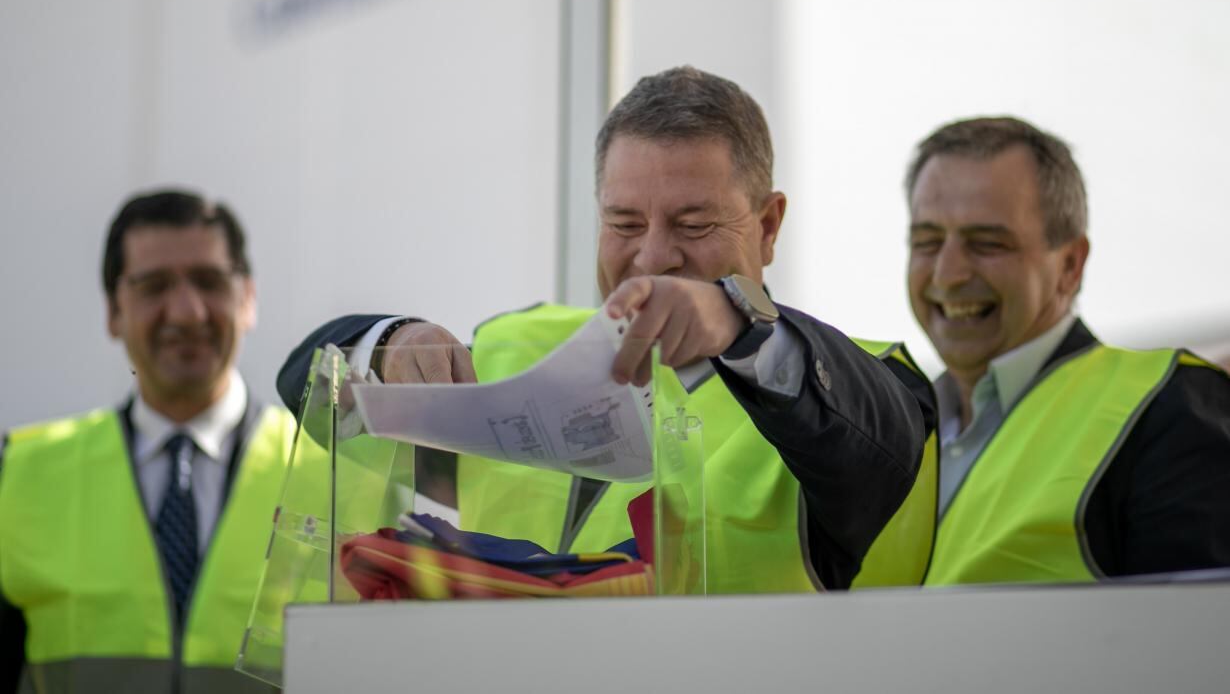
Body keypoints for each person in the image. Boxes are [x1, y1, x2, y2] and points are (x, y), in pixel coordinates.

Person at [280, 66, 937, 592]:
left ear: (768, 227)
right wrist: (390, 341)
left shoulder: (855, 387)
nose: (653, 257)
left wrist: (740, 322)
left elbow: (878, 439)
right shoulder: (515, 342)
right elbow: (301, 385)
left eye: (694, 226)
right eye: (625, 223)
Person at [906, 116, 1230, 585]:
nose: (948, 273)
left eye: (988, 243)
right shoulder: (888, 426)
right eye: (927, 241)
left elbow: (1192, 647)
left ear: (1070, 265)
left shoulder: (1170, 408)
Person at [0, 191, 295, 692]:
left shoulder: (328, 472)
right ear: (114, 311)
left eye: (210, 281)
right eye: (154, 286)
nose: (186, 312)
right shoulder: (19, 471)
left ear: (248, 299)